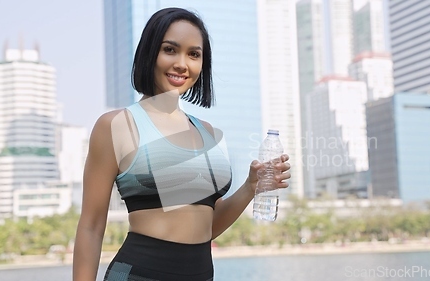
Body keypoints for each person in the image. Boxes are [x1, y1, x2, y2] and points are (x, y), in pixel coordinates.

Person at [72, 7, 291, 281]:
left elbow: (206, 225)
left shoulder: (208, 132)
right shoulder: (116, 125)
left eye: (194, 54)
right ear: (150, 53)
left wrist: (250, 186)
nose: (182, 64)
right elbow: (91, 226)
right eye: (170, 50)